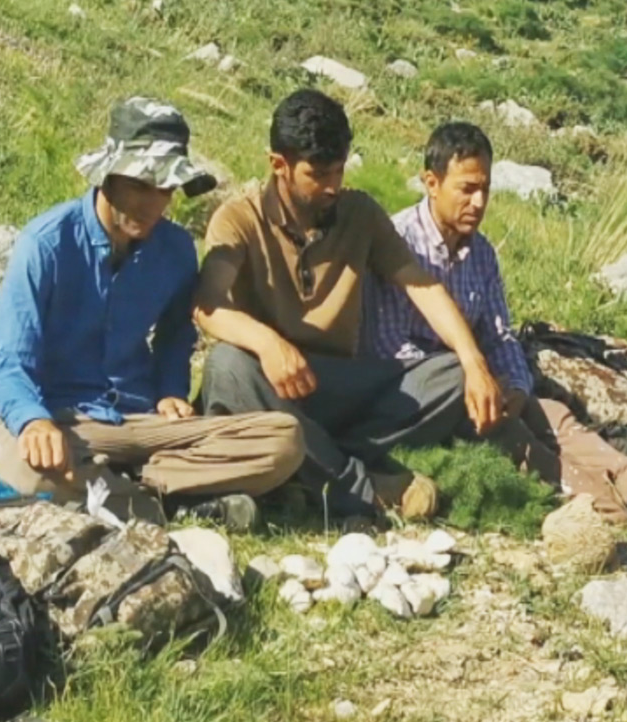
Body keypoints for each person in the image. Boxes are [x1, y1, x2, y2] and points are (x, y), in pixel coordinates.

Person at [373, 121, 627, 521]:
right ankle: (610, 506)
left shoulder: (480, 253)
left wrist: (516, 388)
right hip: (418, 398)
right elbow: (390, 347)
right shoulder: (398, 242)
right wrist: (467, 382)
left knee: (549, 413)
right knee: (517, 439)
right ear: (432, 183)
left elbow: (499, 335)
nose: (479, 202)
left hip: (475, 385)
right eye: (466, 189)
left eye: (485, 189)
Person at [0, 97, 305, 530]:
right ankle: (173, 501)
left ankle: (121, 492)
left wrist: (170, 390)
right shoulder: (45, 245)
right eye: (141, 186)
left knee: (284, 439)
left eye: (166, 190)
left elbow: (176, 336)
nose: (154, 204)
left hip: (145, 423)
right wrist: (33, 421)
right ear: (108, 177)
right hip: (69, 422)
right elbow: (9, 362)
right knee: (24, 470)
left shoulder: (175, 249)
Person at [195, 90, 505, 524]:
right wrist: (267, 343)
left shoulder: (359, 213)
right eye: (318, 174)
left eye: (339, 170)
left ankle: (309, 468)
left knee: (450, 374)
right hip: (271, 386)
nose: (332, 186)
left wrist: (474, 362)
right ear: (279, 165)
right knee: (227, 366)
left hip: (341, 388)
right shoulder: (239, 220)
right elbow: (208, 305)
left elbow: (423, 286)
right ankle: (359, 488)